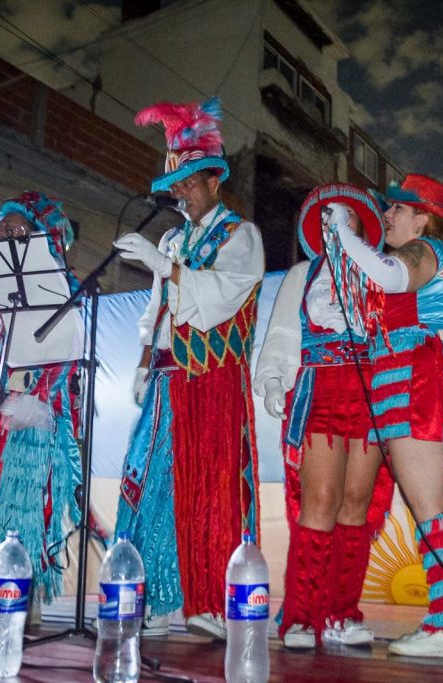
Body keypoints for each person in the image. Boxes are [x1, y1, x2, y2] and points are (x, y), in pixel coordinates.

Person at [323, 174, 443, 658]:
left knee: (431, 506)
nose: (386, 216)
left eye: (397, 209)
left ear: (422, 219)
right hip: (442, 375)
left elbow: (388, 275)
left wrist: (342, 232)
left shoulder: (421, 251)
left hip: (418, 378)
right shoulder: (441, 260)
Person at [113, 98, 264, 639]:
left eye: (190, 184)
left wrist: (165, 266)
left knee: (210, 486)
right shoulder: (173, 239)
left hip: (212, 378)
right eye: (175, 186)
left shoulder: (241, 235)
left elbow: (223, 297)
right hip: (165, 377)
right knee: (153, 480)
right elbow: (157, 310)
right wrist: (141, 364)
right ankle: (155, 597)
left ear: (215, 181)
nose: (181, 194)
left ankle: (210, 601)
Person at [254, 183, 395, 649]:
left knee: (356, 503)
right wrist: (274, 381)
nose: (334, 222)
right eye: (326, 216)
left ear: (360, 227)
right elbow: (281, 333)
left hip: (371, 392)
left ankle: (341, 613)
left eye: (344, 215)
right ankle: (302, 615)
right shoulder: (304, 273)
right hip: (321, 390)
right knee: (321, 499)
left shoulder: (381, 274)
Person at [0, 192, 83, 607]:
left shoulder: (64, 288)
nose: (2, 235)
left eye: (14, 229)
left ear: (42, 237)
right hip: (8, 407)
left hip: (40, 412)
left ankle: (21, 595)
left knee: (28, 500)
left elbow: (69, 352)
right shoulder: (7, 292)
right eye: (0, 228)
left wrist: (39, 400)